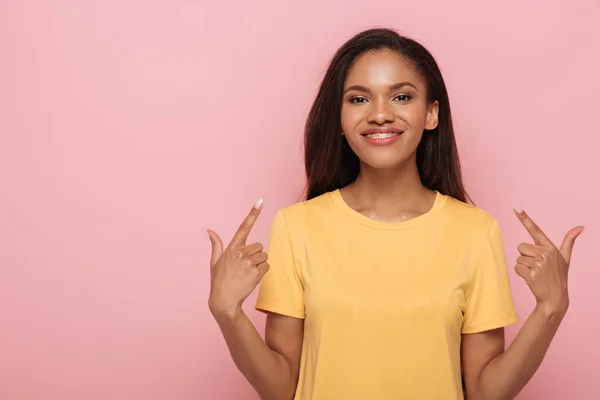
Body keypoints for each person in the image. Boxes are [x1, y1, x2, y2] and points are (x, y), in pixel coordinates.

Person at [206, 28, 584, 400]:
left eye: (401, 96)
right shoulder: (295, 227)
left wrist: (550, 310)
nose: (380, 114)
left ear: (431, 113)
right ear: (338, 118)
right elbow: (281, 388)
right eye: (358, 100)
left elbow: (486, 392)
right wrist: (228, 313)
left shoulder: (475, 231)